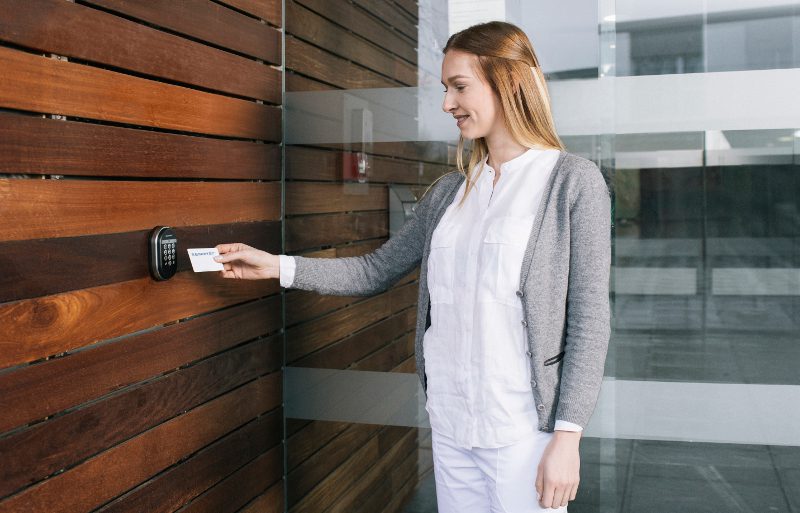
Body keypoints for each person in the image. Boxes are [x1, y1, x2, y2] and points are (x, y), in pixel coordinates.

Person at [213, 21, 610, 513]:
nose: (447, 104)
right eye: (446, 89)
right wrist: (278, 267)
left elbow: (590, 321)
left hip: (524, 432)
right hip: (450, 424)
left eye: (459, 87)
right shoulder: (450, 192)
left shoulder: (573, 182)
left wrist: (567, 439)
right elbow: (375, 269)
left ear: (508, 83)